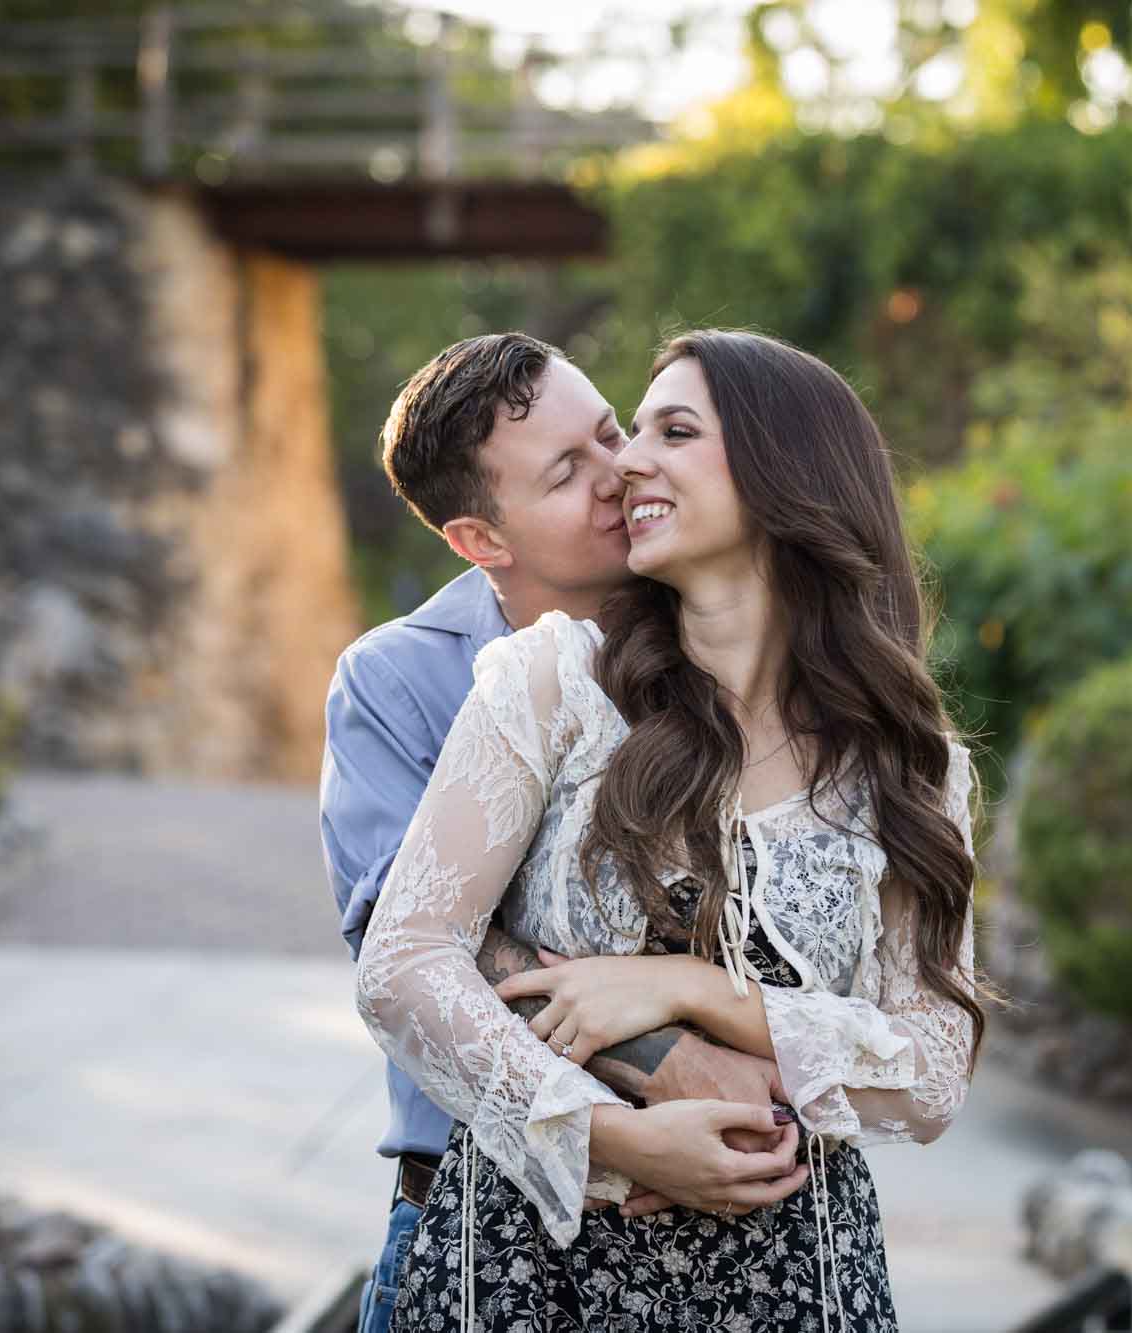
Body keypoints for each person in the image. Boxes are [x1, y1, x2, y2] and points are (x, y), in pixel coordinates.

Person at [355, 329, 992, 1331]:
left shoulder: (909, 764)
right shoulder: (551, 683)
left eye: (668, 430)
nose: (628, 464)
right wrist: (607, 1135)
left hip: (798, 1280)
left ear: (788, 470)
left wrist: (699, 991)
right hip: (534, 1273)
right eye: (621, 436)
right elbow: (404, 959)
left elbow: (930, 1074)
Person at [320, 333, 792, 1333]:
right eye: (567, 473)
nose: (620, 473)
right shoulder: (396, 680)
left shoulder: (721, 630)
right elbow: (411, 938)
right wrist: (654, 1079)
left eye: (610, 432)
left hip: (729, 1232)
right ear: (479, 540)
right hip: (473, 1211)